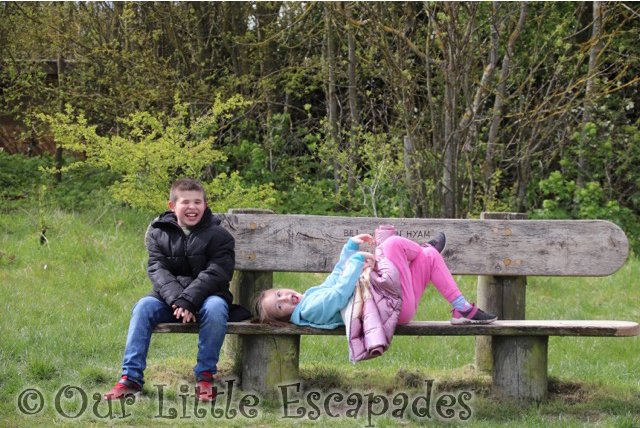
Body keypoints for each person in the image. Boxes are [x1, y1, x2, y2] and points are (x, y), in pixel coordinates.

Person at [104, 178, 235, 402]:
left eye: (198, 202)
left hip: (208, 297)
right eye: (185, 202)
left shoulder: (220, 236)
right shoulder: (158, 233)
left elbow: (217, 272)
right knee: (143, 307)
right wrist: (179, 301)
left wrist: (190, 300)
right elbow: (157, 270)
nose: (192, 207)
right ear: (172, 206)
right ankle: (131, 377)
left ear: (205, 205)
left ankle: (205, 375)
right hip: (169, 299)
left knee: (216, 308)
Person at [255, 227, 496, 329]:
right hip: (387, 310)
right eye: (280, 306)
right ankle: (419, 249)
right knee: (391, 243)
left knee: (431, 256)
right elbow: (339, 294)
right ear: (285, 317)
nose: (286, 298)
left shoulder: (309, 297)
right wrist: (358, 261)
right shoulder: (309, 310)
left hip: (390, 304)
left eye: (279, 294)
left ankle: (461, 309)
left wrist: (349, 249)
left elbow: (335, 279)